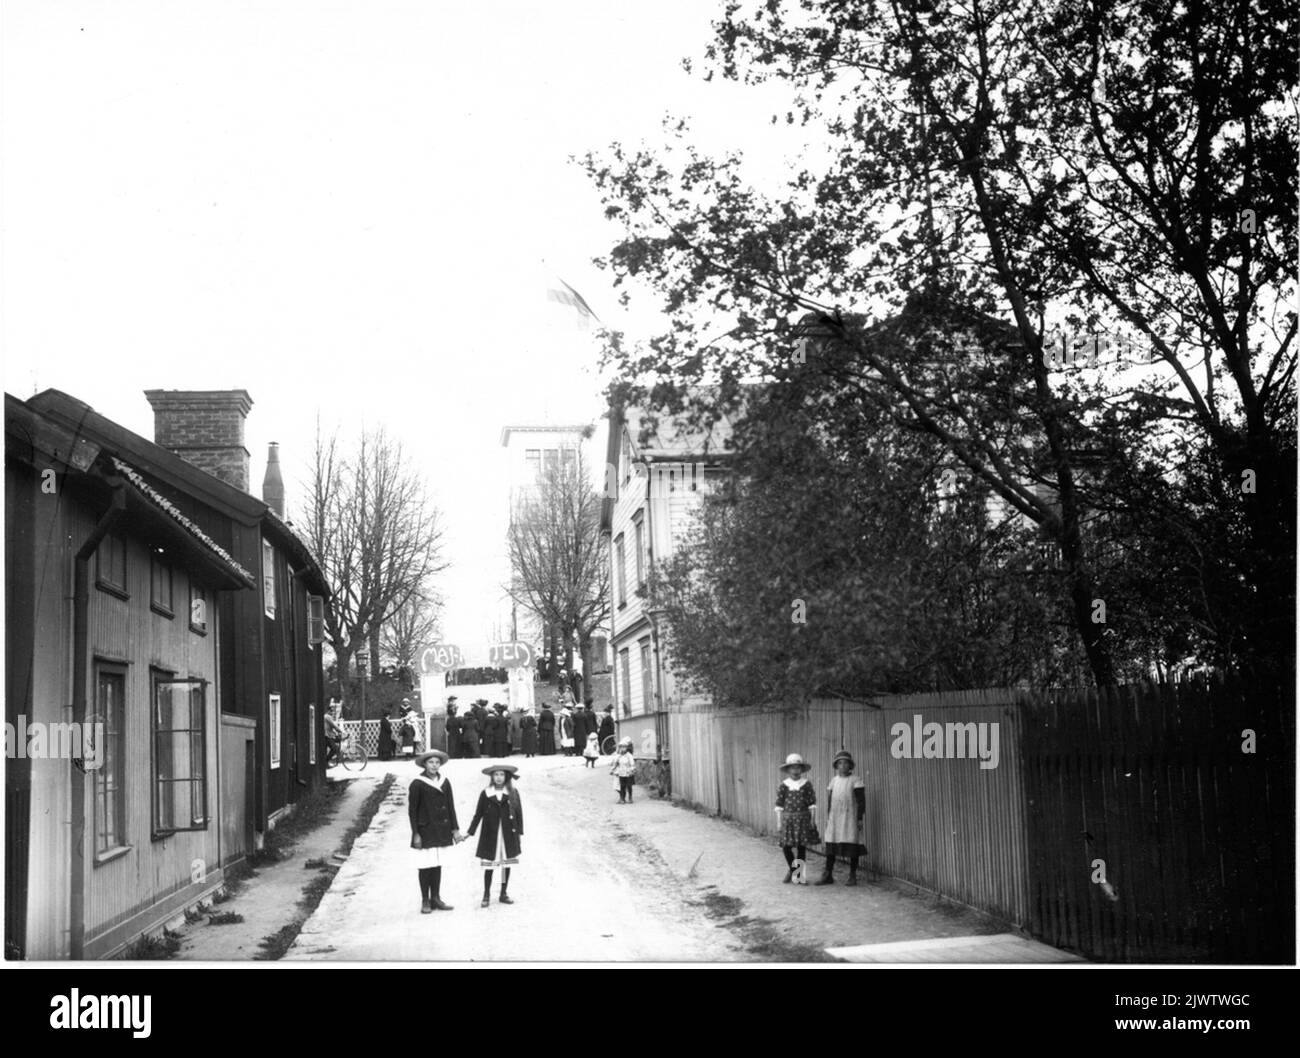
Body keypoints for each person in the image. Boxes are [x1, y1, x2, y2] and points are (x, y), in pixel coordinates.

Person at [408, 749, 464, 914]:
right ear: (424, 764)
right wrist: (415, 833)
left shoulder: (445, 782)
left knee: (437, 864)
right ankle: (425, 899)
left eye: (437, 762)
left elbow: (450, 806)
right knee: (425, 865)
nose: (434, 765)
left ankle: (436, 898)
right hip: (425, 830)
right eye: (431, 762)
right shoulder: (417, 783)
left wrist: (455, 829)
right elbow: (412, 811)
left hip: (442, 829)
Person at [466, 765, 523, 907]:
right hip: (491, 835)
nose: (499, 777)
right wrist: (469, 832)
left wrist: (519, 833)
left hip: (508, 835)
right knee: (489, 865)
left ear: (506, 777)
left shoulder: (512, 793)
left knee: (505, 864)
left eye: (502, 775)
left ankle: (503, 893)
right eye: (496, 774)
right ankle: (486, 894)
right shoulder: (486, 793)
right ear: (492, 777)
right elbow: (478, 814)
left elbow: (518, 813)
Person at [817, 750, 867, 886]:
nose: (843, 766)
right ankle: (828, 874)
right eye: (840, 763)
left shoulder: (855, 780)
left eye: (846, 763)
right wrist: (829, 817)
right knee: (831, 843)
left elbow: (861, 801)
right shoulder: (834, 781)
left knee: (852, 844)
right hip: (835, 818)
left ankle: (852, 875)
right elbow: (830, 801)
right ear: (836, 766)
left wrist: (859, 818)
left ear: (850, 765)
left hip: (850, 818)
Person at [775, 753, 819, 883]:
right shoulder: (784, 785)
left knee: (801, 847)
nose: (795, 770)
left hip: (803, 820)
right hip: (788, 820)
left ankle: (799, 876)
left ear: (801, 769)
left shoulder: (806, 784)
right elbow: (779, 805)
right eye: (792, 767)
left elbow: (812, 804)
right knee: (786, 847)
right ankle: (793, 870)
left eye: (798, 767)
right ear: (788, 770)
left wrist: (813, 820)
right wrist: (779, 823)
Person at [610, 737, 636, 803]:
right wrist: (612, 770)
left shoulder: (629, 756)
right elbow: (615, 763)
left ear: (627, 748)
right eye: (621, 747)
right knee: (622, 786)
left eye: (624, 747)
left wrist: (632, 769)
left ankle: (630, 797)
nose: (622, 748)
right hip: (621, 773)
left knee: (629, 786)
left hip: (628, 773)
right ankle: (622, 798)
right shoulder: (619, 756)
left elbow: (632, 764)